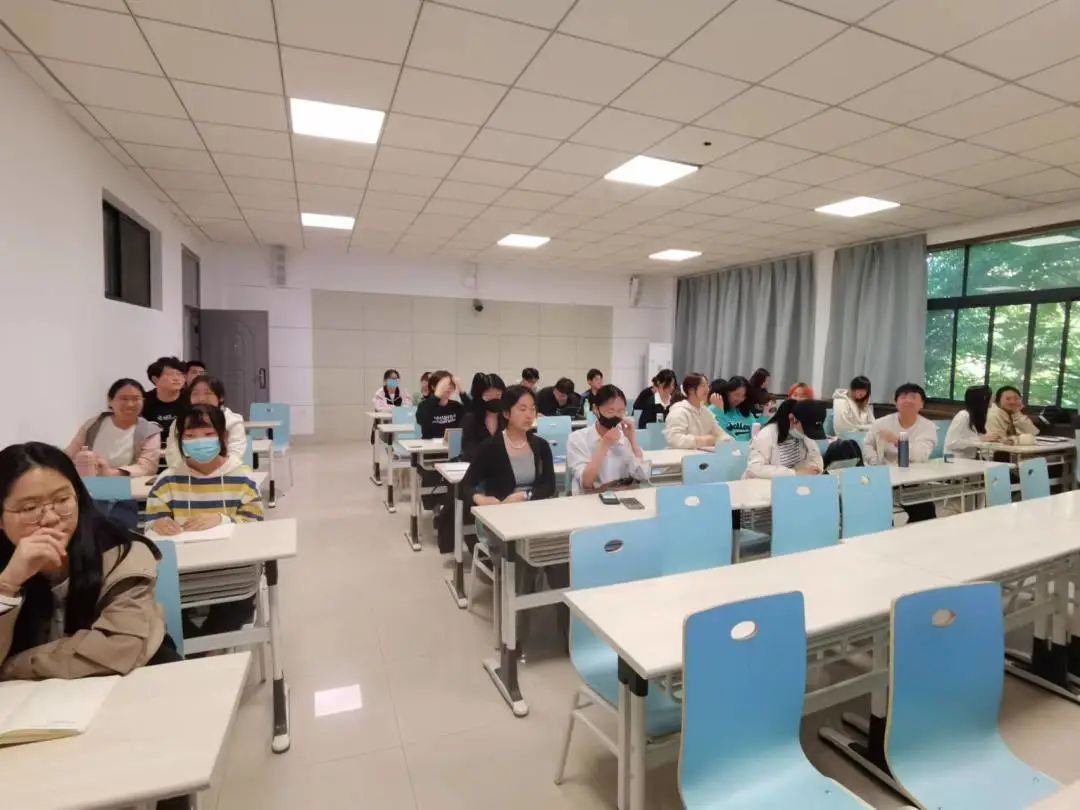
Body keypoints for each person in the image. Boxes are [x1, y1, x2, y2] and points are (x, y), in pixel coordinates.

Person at [0, 442, 174, 679]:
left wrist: (12, 666)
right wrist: (7, 585)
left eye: (62, 500)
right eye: (30, 508)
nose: (50, 518)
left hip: (132, 682)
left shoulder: (121, 552)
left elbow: (119, 648)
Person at [145, 405, 263, 637]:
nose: (199, 442)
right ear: (180, 441)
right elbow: (152, 524)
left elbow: (255, 523)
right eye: (190, 436)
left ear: (223, 437)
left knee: (235, 606)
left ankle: (203, 652)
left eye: (208, 434)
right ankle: (199, 650)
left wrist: (223, 519)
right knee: (159, 608)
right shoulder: (167, 480)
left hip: (231, 570)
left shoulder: (242, 477)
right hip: (181, 572)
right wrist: (158, 525)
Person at [461, 386, 556, 506]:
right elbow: (465, 485)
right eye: (522, 409)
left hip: (533, 508)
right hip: (501, 509)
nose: (529, 415)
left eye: (532, 409)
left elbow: (549, 486)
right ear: (506, 413)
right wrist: (479, 498)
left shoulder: (541, 445)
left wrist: (526, 496)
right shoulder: (490, 446)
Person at [864, 383, 938, 522]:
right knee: (880, 516)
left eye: (913, 397)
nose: (908, 400)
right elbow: (867, 445)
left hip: (913, 480)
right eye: (903, 397)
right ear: (896, 402)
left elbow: (920, 455)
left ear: (922, 404)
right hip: (883, 478)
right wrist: (874, 462)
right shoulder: (881, 423)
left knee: (926, 513)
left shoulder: (928, 427)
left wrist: (898, 440)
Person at [65, 379, 161, 478]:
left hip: (128, 483)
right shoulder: (93, 424)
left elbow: (148, 467)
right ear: (110, 401)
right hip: (90, 481)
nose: (130, 404)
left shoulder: (150, 430)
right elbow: (69, 455)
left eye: (136, 399)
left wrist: (112, 473)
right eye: (124, 399)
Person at [566, 384, 649, 495]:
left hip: (622, 497)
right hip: (589, 499)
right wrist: (605, 444)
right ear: (595, 409)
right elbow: (586, 483)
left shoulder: (624, 437)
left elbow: (643, 476)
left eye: (621, 411)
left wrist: (632, 440)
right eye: (610, 412)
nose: (616, 416)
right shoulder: (577, 439)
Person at [164, 375, 247, 469]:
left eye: (208, 393)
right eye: (195, 394)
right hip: (187, 471)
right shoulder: (181, 420)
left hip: (225, 470)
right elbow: (173, 452)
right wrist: (182, 471)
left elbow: (236, 452)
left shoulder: (233, 420)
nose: (201, 398)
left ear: (220, 397)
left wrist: (222, 471)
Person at [745, 399, 826, 478]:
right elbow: (754, 469)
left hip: (795, 483)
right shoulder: (766, 434)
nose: (807, 433)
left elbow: (816, 458)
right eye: (806, 428)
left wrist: (813, 470)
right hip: (764, 484)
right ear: (792, 419)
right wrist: (794, 473)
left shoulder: (805, 434)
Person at [665, 374, 732, 449]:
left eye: (708, 386)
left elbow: (719, 433)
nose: (707, 389)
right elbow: (674, 439)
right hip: (680, 455)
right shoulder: (679, 411)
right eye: (703, 386)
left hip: (702, 454)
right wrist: (701, 440)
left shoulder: (706, 412)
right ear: (691, 390)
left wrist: (731, 442)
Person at [141, 356, 187, 450]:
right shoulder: (144, 401)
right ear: (155, 379)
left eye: (180, 374)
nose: (177, 378)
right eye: (170, 374)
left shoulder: (191, 399)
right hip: (152, 450)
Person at [461, 373, 506, 462]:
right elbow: (468, 449)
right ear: (480, 396)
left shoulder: (509, 419)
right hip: (478, 465)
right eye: (489, 395)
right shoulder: (470, 420)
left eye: (498, 395)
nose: (494, 399)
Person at [945, 385, 998, 459]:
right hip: (955, 460)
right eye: (991, 397)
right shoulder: (963, 415)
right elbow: (952, 443)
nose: (993, 399)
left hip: (969, 459)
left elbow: (976, 438)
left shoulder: (977, 417)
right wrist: (980, 439)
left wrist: (996, 439)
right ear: (983, 399)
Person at [707, 375, 764, 441]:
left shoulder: (745, 412)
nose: (740, 399)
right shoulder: (713, 410)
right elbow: (722, 437)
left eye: (743, 396)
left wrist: (765, 416)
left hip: (747, 447)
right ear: (727, 392)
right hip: (724, 446)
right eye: (737, 394)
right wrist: (719, 411)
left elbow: (756, 434)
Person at [416, 370, 465, 439]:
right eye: (444, 385)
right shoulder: (424, 406)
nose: (448, 387)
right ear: (433, 387)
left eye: (450, 384)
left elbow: (472, 414)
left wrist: (462, 393)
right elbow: (425, 427)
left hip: (451, 444)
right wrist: (437, 396)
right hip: (430, 444)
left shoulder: (457, 406)